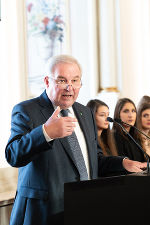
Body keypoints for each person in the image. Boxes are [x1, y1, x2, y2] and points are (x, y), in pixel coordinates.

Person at [5, 55, 147, 225]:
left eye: (75, 80)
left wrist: (123, 163)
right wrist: (45, 133)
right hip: (44, 213)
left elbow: (94, 159)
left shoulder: (85, 113)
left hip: (83, 208)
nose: (69, 87)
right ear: (47, 81)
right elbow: (13, 155)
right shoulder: (27, 110)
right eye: (62, 80)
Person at [112, 98, 145, 162]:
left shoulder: (136, 136)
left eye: (133, 111)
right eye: (126, 111)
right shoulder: (114, 136)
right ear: (118, 114)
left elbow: (144, 160)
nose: (131, 115)